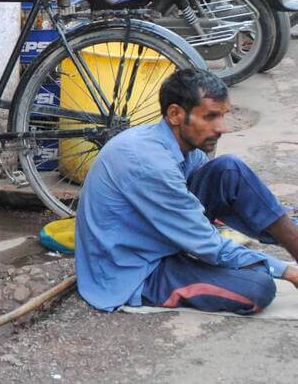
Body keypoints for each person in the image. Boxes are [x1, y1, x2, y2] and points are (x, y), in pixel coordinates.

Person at [76, 68, 298, 314]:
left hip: (164, 240)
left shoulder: (184, 148)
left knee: (229, 169)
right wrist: (286, 272)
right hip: (136, 270)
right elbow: (205, 242)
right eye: (210, 117)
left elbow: (234, 204)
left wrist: (283, 222)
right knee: (259, 288)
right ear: (175, 114)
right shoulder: (148, 162)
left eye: (223, 116)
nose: (221, 128)